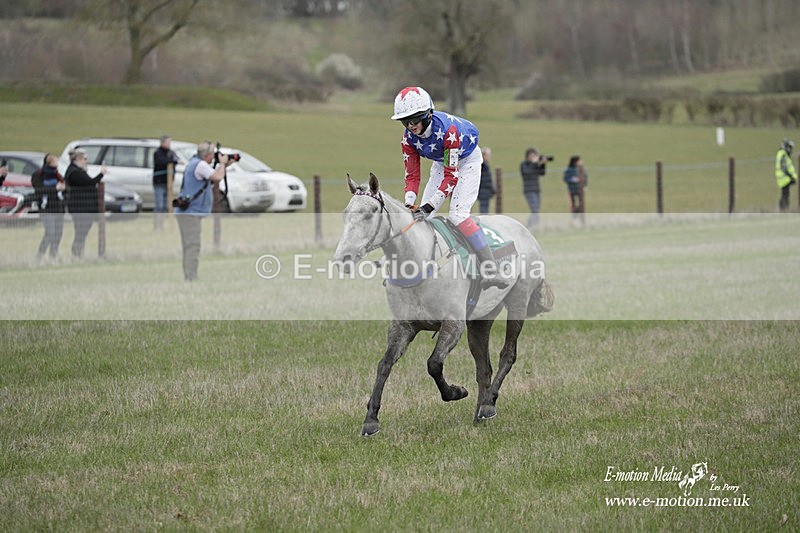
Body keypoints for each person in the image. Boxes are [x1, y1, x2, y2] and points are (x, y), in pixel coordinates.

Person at [391, 85, 506, 287]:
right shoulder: (407, 139)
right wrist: (409, 203)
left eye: (415, 118)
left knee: (457, 215)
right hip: (441, 161)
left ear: (428, 114)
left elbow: (451, 177)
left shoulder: (447, 132)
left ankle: (491, 268)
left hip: (467, 160)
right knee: (420, 219)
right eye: (405, 121)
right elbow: (412, 175)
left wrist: (428, 205)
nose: (410, 125)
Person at [174, 141, 229, 281]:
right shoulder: (200, 165)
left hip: (188, 212)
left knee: (189, 245)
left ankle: (189, 275)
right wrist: (222, 164)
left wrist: (226, 164)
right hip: (190, 213)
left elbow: (210, 176)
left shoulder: (195, 163)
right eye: (212, 155)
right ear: (207, 155)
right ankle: (191, 277)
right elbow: (217, 177)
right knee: (193, 246)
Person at [65, 149, 106, 258]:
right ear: (77, 159)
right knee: (80, 232)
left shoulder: (79, 171)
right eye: (85, 159)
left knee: (82, 232)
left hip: (85, 207)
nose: (86, 161)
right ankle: (76, 253)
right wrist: (101, 174)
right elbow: (89, 183)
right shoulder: (74, 172)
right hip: (80, 208)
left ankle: (79, 253)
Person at [31, 154, 66, 261]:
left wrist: (64, 188)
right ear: (49, 162)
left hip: (58, 208)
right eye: (55, 162)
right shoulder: (38, 175)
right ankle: (39, 256)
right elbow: (39, 190)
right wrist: (55, 188)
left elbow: (64, 186)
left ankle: (53, 256)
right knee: (50, 233)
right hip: (46, 208)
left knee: (58, 234)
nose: (57, 164)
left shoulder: (57, 175)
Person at [153, 134, 179, 230]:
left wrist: (172, 161)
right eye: (167, 142)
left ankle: (163, 225)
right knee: (159, 205)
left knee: (165, 206)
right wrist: (171, 161)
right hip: (159, 182)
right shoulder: (157, 153)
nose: (169, 144)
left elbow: (176, 160)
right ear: (162, 142)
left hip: (169, 183)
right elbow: (162, 162)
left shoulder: (171, 152)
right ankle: (157, 225)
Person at [520, 147, 548, 228]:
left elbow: (542, 173)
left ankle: (533, 226)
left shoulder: (535, 165)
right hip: (529, 190)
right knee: (534, 210)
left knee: (536, 210)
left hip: (536, 190)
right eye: (532, 155)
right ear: (527, 156)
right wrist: (534, 163)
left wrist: (543, 164)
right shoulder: (524, 165)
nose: (533, 157)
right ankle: (529, 226)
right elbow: (527, 172)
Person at [775, 138, 797, 212]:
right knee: (785, 195)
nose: (790, 150)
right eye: (789, 147)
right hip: (784, 179)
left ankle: (783, 209)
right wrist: (791, 177)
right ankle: (784, 210)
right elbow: (784, 167)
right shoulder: (783, 155)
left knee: (785, 194)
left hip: (783, 179)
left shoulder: (781, 154)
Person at [563, 155, 588, 219]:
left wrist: (585, 186)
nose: (581, 162)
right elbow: (565, 178)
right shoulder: (569, 170)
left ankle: (581, 218)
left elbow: (585, 178)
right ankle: (574, 217)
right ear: (575, 162)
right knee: (573, 204)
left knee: (582, 205)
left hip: (580, 189)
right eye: (580, 161)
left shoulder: (582, 169)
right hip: (572, 190)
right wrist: (572, 179)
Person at [478, 147, 495, 215]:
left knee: (485, 210)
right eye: (488, 155)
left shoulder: (486, 166)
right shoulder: (483, 167)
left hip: (486, 192)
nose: (489, 157)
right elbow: (484, 180)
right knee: (484, 211)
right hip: (483, 192)